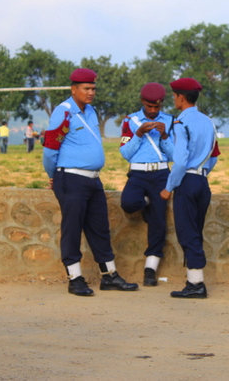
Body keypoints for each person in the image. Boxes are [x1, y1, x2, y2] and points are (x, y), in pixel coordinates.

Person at [42, 68, 138, 296]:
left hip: (93, 180)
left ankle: (109, 275)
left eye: (93, 88)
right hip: (70, 177)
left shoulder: (91, 111)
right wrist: (54, 177)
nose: (91, 92)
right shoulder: (63, 112)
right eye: (86, 88)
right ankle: (75, 278)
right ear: (73, 89)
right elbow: (49, 151)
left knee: (100, 228)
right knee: (72, 228)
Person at [160, 77, 219, 298]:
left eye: (174, 95)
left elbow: (181, 161)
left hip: (186, 180)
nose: (173, 99)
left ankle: (196, 283)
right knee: (195, 230)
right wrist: (201, 173)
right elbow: (214, 156)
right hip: (202, 180)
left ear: (181, 97)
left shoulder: (180, 123)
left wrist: (169, 186)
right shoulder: (208, 122)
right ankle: (194, 279)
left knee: (187, 233)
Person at [119, 82, 174, 286]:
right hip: (138, 173)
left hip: (160, 173)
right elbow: (125, 153)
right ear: (143, 102)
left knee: (158, 221)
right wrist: (139, 133)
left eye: (156, 107)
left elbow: (175, 155)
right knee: (128, 202)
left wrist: (165, 136)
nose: (153, 111)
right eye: (149, 106)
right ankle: (145, 203)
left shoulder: (169, 121)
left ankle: (151, 268)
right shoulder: (130, 121)